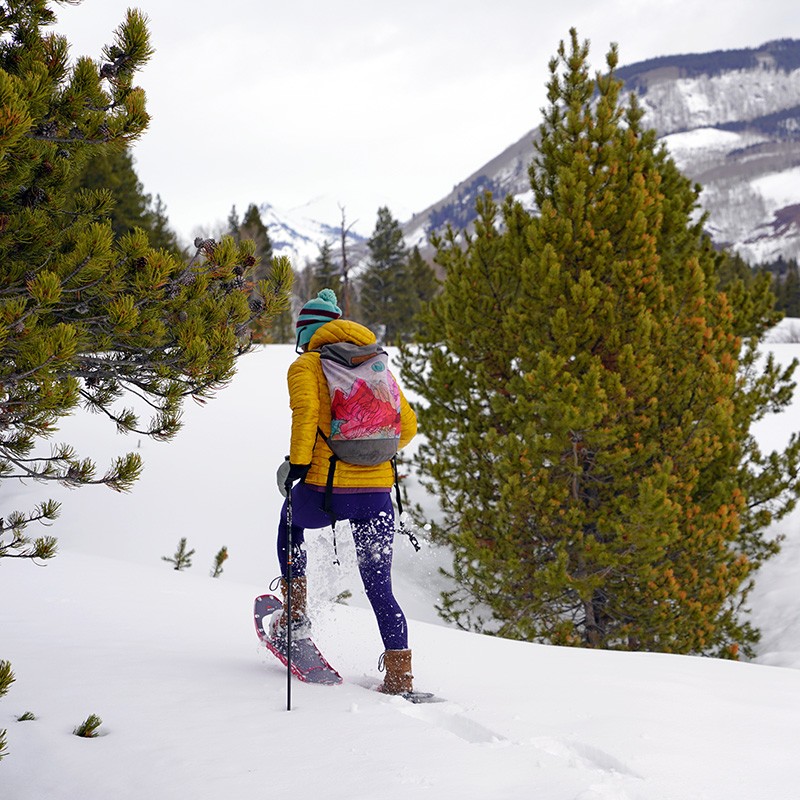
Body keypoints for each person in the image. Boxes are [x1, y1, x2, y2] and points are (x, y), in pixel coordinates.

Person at [272, 288, 418, 695]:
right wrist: (370, 452)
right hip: (376, 494)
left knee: (289, 524)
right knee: (380, 589)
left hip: (327, 490)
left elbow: (305, 416)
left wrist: (297, 464)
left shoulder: (306, 365)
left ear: (306, 333)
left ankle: (294, 617)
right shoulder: (375, 362)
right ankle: (400, 675)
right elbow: (407, 427)